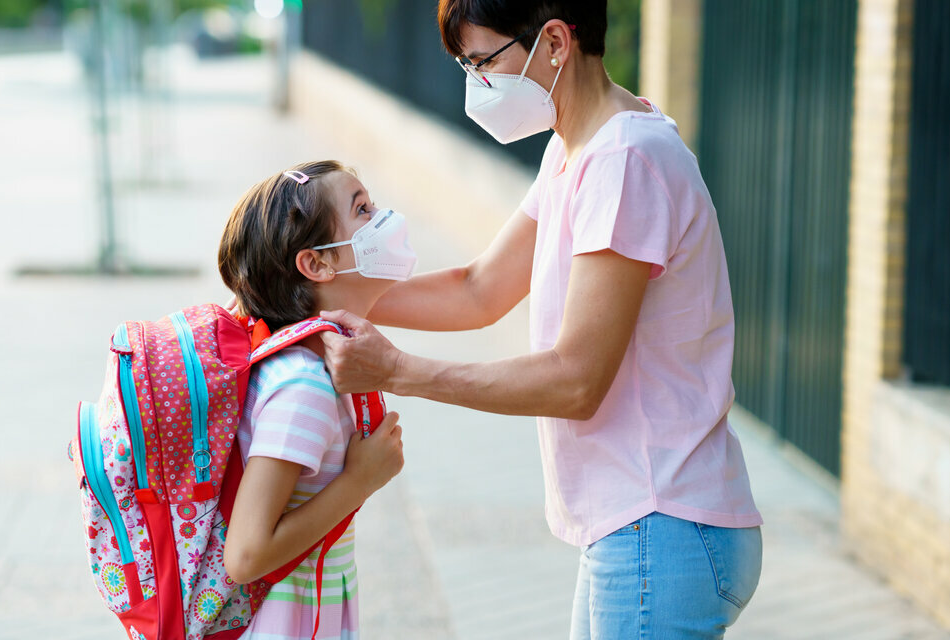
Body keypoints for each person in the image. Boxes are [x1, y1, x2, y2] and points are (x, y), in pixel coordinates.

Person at [317, 2, 763, 638]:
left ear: (554, 40)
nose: (475, 84)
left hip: (659, 524)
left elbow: (575, 381)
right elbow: (478, 290)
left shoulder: (624, 162)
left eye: (482, 62)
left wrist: (397, 371)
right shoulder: (576, 145)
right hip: (639, 526)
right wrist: (329, 297)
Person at [218, 160, 409, 640]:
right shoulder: (304, 388)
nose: (384, 218)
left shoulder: (310, 366)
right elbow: (246, 555)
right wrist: (359, 480)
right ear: (317, 263)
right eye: (363, 209)